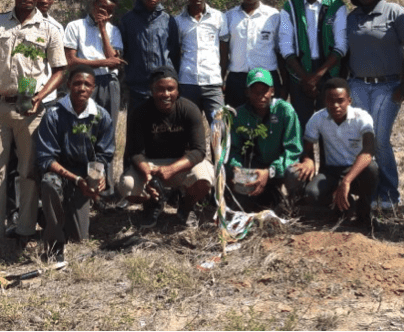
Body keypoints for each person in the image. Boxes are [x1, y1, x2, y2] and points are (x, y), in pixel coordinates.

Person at [0, 0, 67, 245]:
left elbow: (60, 70)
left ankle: (26, 229)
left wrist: (40, 97)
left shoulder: (50, 29)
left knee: (28, 172)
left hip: (31, 111)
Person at [344, 0, 404, 209]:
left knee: (380, 139)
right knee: (363, 138)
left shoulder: (394, 12)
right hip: (357, 86)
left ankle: (389, 194)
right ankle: (369, 192)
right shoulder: (351, 17)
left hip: (388, 87)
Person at [117, 66, 214, 229]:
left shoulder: (189, 109)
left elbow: (199, 151)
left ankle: (185, 206)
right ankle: (153, 203)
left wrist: (172, 169)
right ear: (152, 90)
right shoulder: (139, 112)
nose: (166, 94)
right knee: (127, 186)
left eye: (171, 89)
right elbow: (134, 152)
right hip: (150, 165)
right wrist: (147, 174)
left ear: (178, 90)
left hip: (180, 163)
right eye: (160, 89)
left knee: (205, 179)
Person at [35, 66, 114, 261]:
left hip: (85, 176)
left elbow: (104, 154)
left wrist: (98, 177)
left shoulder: (101, 116)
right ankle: (53, 244)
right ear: (68, 84)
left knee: (79, 236)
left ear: (93, 88)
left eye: (87, 84)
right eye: (77, 83)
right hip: (60, 174)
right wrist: (76, 179)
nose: (82, 88)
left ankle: (48, 215)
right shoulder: (53, 114)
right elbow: (46, 158)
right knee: (49, 183)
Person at [298, 78, 379, 228]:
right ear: (324, 101)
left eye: (340, 101)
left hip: (356, 171)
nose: (335, 105)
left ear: (349, 100)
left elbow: (368, 151)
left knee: (371, 169)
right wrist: (307, 159)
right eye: (330, 100)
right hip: (331, 172)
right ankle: (341, 206)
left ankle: (365, 212)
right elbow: (306, 149)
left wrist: (346, 181)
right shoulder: (317, 119)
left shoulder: (361, 117)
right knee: (311, 193)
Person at [279, 0, 348, 128]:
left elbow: (341, 45)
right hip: (300, 73)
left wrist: (316, 77)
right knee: (301, 128)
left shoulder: (337, 5)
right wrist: (305, 78)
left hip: (328, 71)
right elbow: (285, 46)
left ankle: (328, 156)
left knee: (330, 128)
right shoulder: (290, 7)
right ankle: (304, 156)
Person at [227, 68, 304, 212]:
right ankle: (256, 198)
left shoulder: (285, 111)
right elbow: (234, 149)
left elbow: (293, 150)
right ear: (247, 93)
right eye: (255, 91)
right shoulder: (240, 115)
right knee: (242, 205)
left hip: (277, 168)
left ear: (272, 91)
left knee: (294, 172)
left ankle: (293, 203)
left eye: (265, 90)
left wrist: (270, 172)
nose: (260, 95)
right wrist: (235, 167)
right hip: (253, 169)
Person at [222, 0, 286, 109]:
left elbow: (280, 51)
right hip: (237, 79)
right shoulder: (229, 16)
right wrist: (222, 79)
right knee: (236, 121)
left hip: (266, 78)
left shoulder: (274, 16)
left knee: (268, 123)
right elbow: (223, 51)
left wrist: (283, 83)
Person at [119, 0, 180, 114]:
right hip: (137, 87)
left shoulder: (169, 20)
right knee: (137, 132)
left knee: (164, 131)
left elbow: (175, 52)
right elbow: (124, 51)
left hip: (163, 88)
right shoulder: (128, 20)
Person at [64, 0, 124, 122]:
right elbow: (71, 61)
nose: (104, 12)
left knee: (108, 125)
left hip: (109, 83)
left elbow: (113, 61)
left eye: (109, 10)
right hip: (84, 81)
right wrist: (103, 63)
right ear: (93, 4)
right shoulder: (75, 26)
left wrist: (102, 29)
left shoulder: (114, 31)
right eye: (102, 6)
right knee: (82, 125)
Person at [176, 0, 228, 124]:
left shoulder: (219, 17)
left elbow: (224, 52)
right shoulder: (178, 21)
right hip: (187, 82)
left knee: (219, 128)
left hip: (212, 81)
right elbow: (176, 52)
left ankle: (217, 149)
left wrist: (222, 78)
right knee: (187, 127)